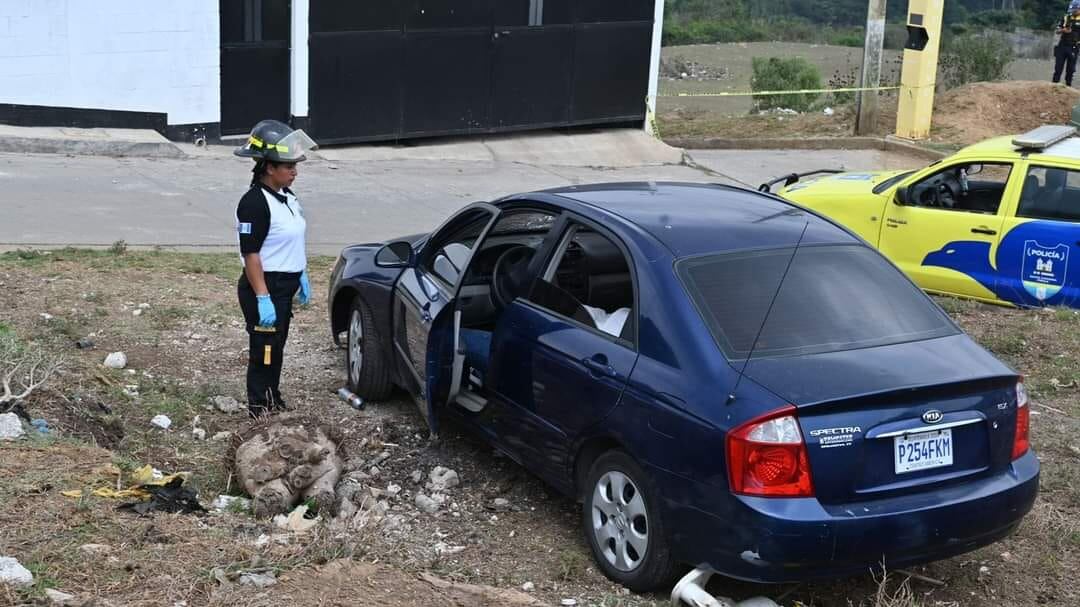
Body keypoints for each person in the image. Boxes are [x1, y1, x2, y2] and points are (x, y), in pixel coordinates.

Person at [233, 119, 318, 418]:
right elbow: (251, 254)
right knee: (265, 351)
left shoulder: (287, 197)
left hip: (284, 285)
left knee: (276, 346)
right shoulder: (254, 203)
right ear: (269, 167)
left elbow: (290, 240)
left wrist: (300, 272)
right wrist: (263, 297)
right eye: (289, 166)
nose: (295, 172)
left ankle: (273, 398)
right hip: (265, 286)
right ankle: (259, 409)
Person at [1053, 1, 1080, 86]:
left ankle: (1068, 87)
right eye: (1072, 10)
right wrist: (1063, 30)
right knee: (1058, 68)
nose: (1073, 12)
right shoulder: (1066, 17)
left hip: (1074, 47)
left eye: (1075, 10)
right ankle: (1054, 86)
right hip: (1062, 45)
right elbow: (1057, 30)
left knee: (1070, 70)